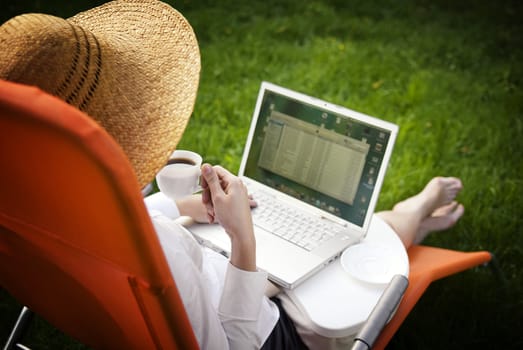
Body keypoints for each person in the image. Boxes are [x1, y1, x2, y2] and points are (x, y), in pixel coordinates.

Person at [0, 1, 465, 349]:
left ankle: (414, 217)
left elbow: (139, 220)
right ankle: (413, 214)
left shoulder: (38, 215)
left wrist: (183, 207)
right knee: (348, 276)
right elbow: (238, 341)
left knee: (329, 240)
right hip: (257, 330)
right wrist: (243, 238)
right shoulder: (158, 254)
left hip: (176, 304)